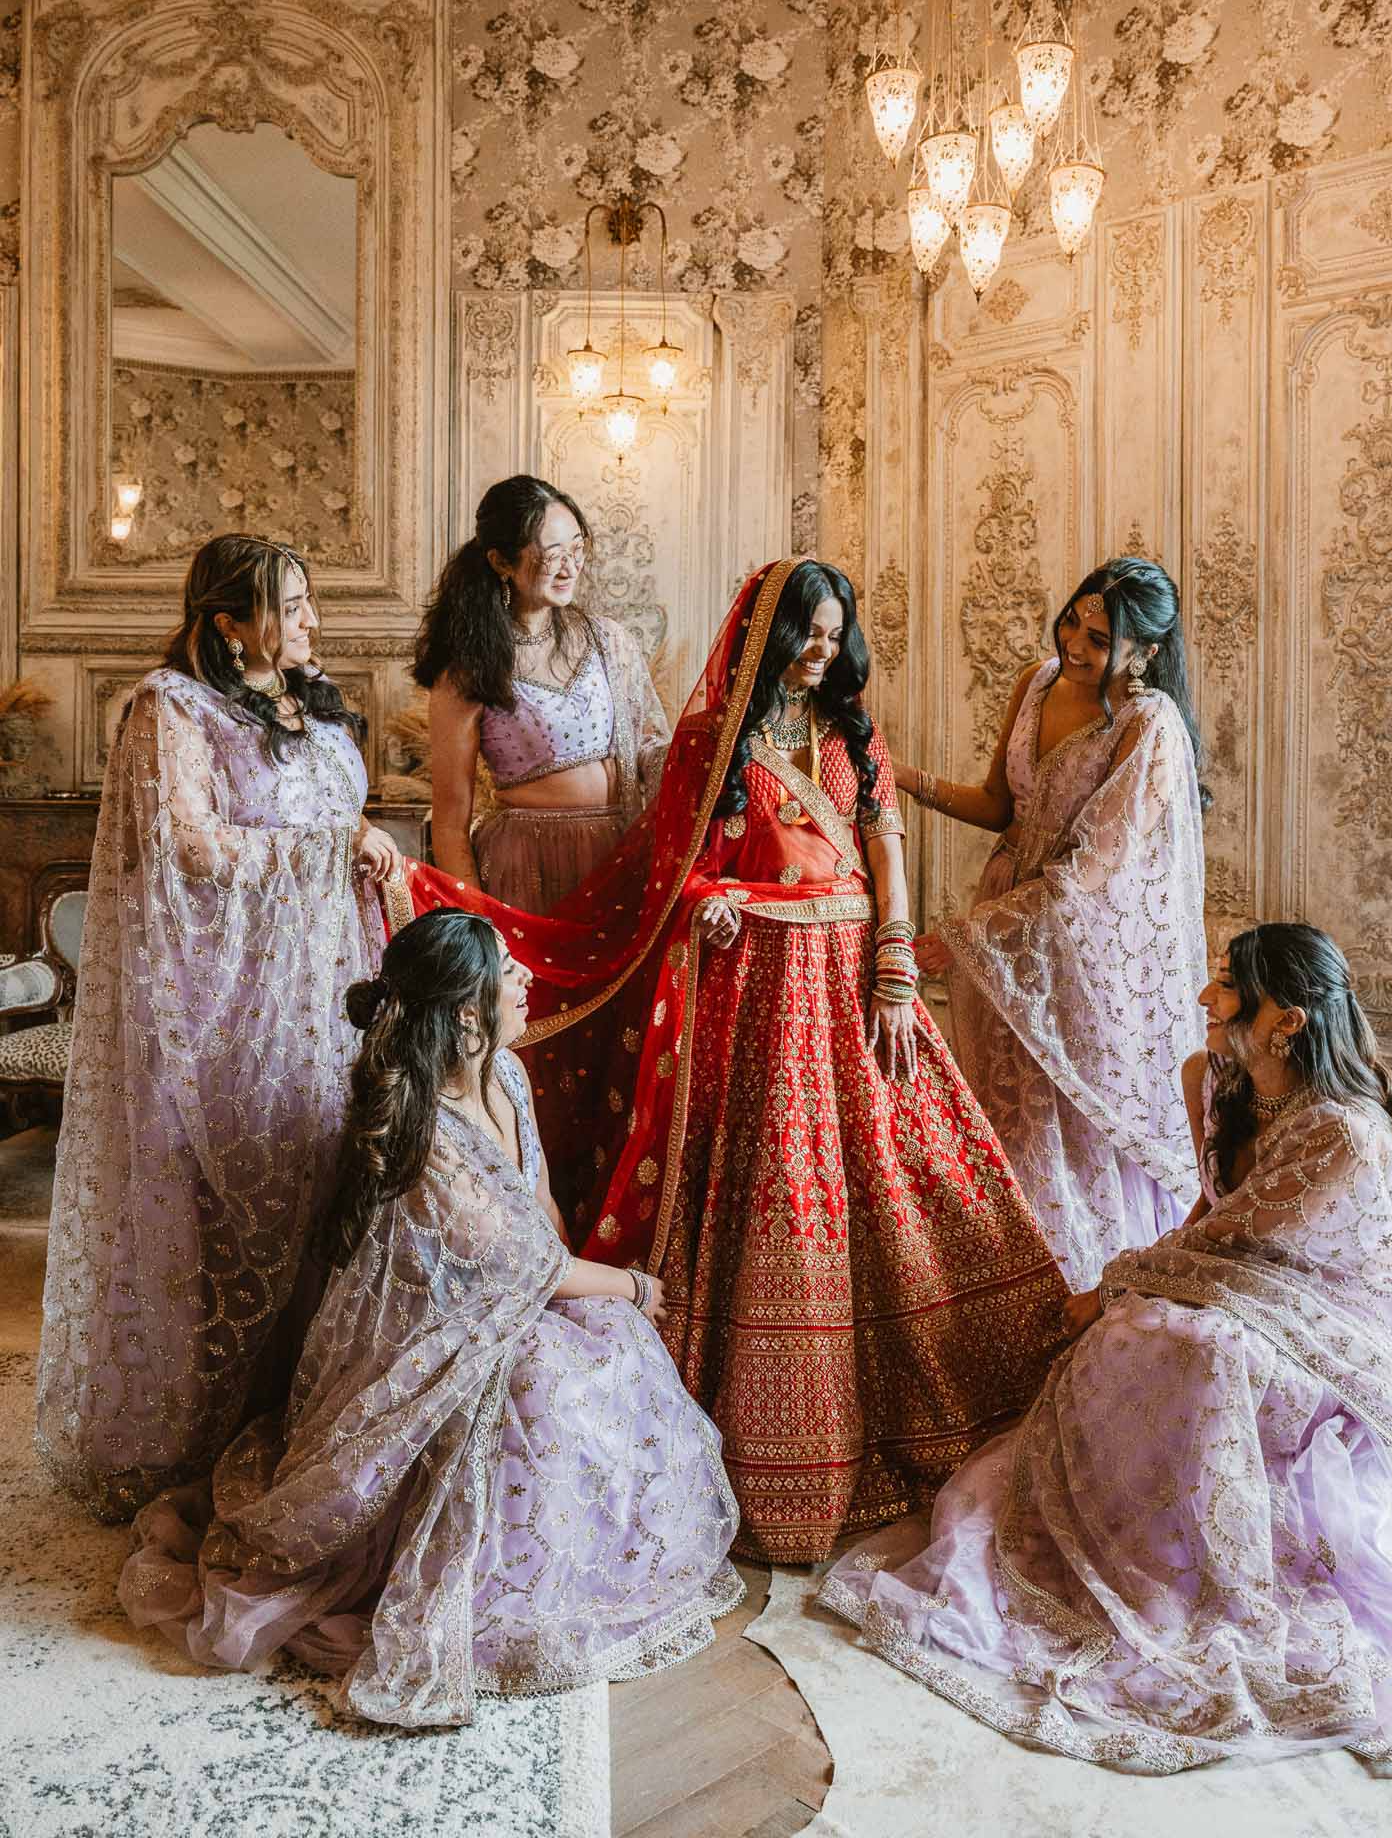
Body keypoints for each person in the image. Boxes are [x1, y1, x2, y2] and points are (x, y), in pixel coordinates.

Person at [386, 560, 1067, 1565]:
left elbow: (884, 846)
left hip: (849, 980)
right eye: (808, 630)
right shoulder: (710, 743)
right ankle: (765, 1441)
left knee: (905, 1180)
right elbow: (680, 867)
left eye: (836, 633)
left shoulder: (852, 734)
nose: (822, 648)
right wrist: (711, 894)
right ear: (766, 633)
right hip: (754, 993)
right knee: (772, 1196)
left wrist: (894, 959)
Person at [821, 924, 1392, 1776]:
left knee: (1190, 1344)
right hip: (1247, 1287)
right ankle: (1131, 1548)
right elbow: (1210, 1225)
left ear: (1286, 1021)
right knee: (1152, 1332)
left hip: (1335, 1328)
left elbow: (1247, 1243)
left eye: (1226, 986)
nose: (1206, 1000)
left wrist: (1110, 1289)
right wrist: (1124, 1294)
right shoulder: (1216, 1083)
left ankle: (1189, 1583)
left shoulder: (1342, 1131)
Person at [118, 909, 743, 1722]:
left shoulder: (508, 1077)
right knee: (552, 1372)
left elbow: (540, 1211)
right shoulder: (426, 1129)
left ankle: (591, 1560)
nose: (526, 980)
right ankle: (498, 1583)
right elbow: (522, 1265)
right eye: (508, 970)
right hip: (431, 1331)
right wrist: (630, 1284)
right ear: (466, 1013)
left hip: (509, 1300)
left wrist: (598, 1298)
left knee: (606, 1347)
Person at [35, 535, 399, 1522]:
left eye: (312, 598)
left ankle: (299, 1415)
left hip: (325, 985)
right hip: (225, 1005)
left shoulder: (308, 705)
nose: (314, 619)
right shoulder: (171, 707)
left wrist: (363, 855)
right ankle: (198, 1434)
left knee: (327, 1177)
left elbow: (336, 818)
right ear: (228, 621)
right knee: (223, 1211)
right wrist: (332, 844)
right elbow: (183, 844)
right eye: (292, 602)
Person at [909, 557, 1208, 1290]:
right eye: (1074, 618)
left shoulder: (1150, 727)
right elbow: (996, 805)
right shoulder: (1038, 682)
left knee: (1060, 1127)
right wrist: (901, 779)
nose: (1076, 642)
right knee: (999, 1111)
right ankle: (992, 1283)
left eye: (1100, 638)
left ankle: (1067, 1288)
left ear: (1147, 653)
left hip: (1077, 946)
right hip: (1003, 920)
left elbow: (1084, 879)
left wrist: (963, 936)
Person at [413, 475, 669, 912]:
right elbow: (451, 824)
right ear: (501, 562)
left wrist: (709, 751)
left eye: (577, 549)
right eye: (553, 554)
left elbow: (649, 744)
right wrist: (481, 925)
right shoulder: (469, 669)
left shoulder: (608, 640)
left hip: (618, 854)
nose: (570, 567)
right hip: (526, 864)